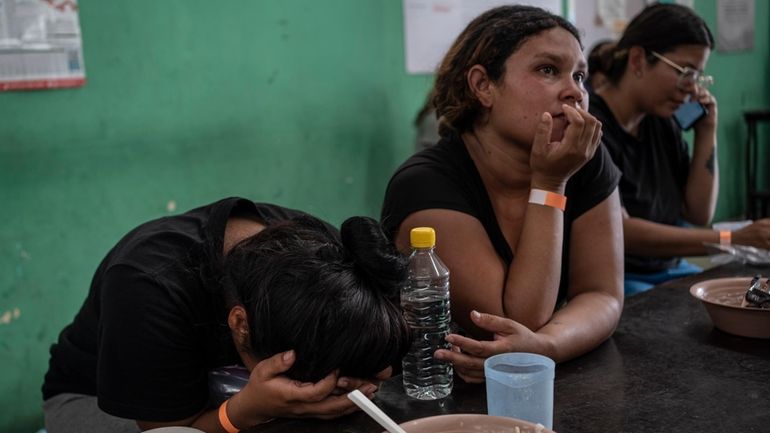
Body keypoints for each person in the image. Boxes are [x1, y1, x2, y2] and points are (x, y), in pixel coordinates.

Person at [381, 5, 624, 383]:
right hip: (436, 391)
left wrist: (549, 347)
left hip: (534, 380)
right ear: (483, 86)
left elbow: (603, 295)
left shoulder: (583, 160)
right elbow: (511, 324)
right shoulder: (425, 183)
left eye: (579, 75)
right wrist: (549, 186)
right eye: (548, 70)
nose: (575, 91)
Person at [42, 197, 410, 433]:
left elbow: (386, 362)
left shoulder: (327, 256)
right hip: (105, 404)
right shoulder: (148, 287)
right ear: (240, 324)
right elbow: (166, 428)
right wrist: (243, 411)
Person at [588, 3, 770, 295]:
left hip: (670, 269)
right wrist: (732, 237)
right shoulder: (591, 127)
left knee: (740, 296)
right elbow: (622, 231)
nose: (691, 88)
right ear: (637, 60)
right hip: (617, 278)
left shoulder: (661, 120)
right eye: (685, 72)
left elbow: (698, 213)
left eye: (698, 77)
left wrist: (706, 131)